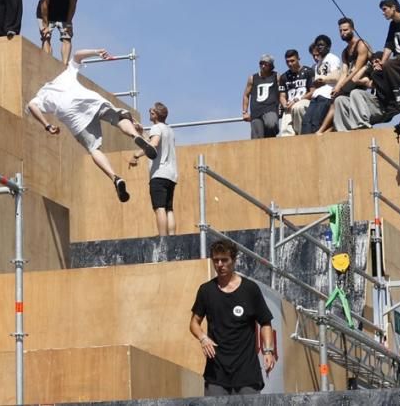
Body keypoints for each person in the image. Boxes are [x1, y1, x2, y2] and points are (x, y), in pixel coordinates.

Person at [26, 48, 157, 203]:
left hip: (71, 116)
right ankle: (135, 136)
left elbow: (32, 106)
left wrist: (47, 125)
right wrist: (97, 51)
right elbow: (77, 55)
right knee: (118, 117)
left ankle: (115, 178)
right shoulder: (65, 75)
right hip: (86, 100)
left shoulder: (40, 97)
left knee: (94, 148)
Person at [190, 238, 276, 396]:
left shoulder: (250, 290)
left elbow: (265, 322)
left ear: (234, 260)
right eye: (216, 260)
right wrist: (203, 338)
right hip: (216, 373)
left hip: (247, 373)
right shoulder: (206, 291)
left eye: (224, 260)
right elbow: (194, 322)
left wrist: (268, 351)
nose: (220, 264)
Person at [128, 102, 178, 236]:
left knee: (159, 208)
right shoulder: (169, 130)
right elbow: (154, 143)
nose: (149, 113)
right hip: (171, 175)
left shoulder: (156, 128)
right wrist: (142, 132)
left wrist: (136, 155)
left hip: (159, 174)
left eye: (151, 111)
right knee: (169, 208)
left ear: (155, 114)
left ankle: (163, 238)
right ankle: (172, 237)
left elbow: (153, 145)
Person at [316, 17, 371, 133]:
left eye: (345, 30)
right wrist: (337, 86)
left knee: (337, 97)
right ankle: (330, 129)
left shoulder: (361, 45)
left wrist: (341, 86)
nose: (343, 33)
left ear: (352, 29)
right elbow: (344, 72)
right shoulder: (345, 52)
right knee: (336, 99)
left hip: (362, 79)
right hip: (351, 80)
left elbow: (357, 69)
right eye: (340, 31)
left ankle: (322, 130)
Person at [333, 54, 399, 131]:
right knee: (340, 100)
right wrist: (366, 67)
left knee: (356, 93)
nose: (374, 64)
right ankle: (343, 130)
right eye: (372, 63)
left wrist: (381, 70)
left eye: (377, 61)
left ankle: (362, 125)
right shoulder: (372, 77)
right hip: (372, 109)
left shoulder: (388, 73)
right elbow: (355, 79)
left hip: (383, 109)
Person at [37, 0, 83, 65]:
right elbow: (45, 3)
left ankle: (64, 65)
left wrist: (69, 22)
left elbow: (73, 3)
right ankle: (47, 63)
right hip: (45, 13)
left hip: (64, 14)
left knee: (67, 37)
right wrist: (45, 23)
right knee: (46, 36)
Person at [300, 35, 342, 135]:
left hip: (326, 96)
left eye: (321, 45)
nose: (319, 47)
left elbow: (337, 76)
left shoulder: (332, 58)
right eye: (317, 45)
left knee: (316, 122)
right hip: (316, 96)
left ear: (328, 46)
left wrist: (323, 79)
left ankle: (315, 147)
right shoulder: (318, 64)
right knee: (306, 122)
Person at [242, 55, 280, 139]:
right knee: (257, 137)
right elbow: (246, 95)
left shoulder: (276, 76)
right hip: (256, 112)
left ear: (270, 65)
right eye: (261, 63)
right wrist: (245, 112)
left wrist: (281, 107)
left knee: (271, 124)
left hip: (271, 109)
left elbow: (282, 93)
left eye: (266, 64)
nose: (263, 66)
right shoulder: (252, 78)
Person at [278, 49, 313, 136]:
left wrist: (297, 100)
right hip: (289, 106)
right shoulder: (283, 77)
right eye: (287, 61)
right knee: (285, 128)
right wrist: (285, 105)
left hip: (304, 102)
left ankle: (303, 136)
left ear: (298, 59)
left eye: (292, 61)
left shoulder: (308, 71)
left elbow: (313, 92)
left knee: (298, 108)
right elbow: (282, 95)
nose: (290, 64)